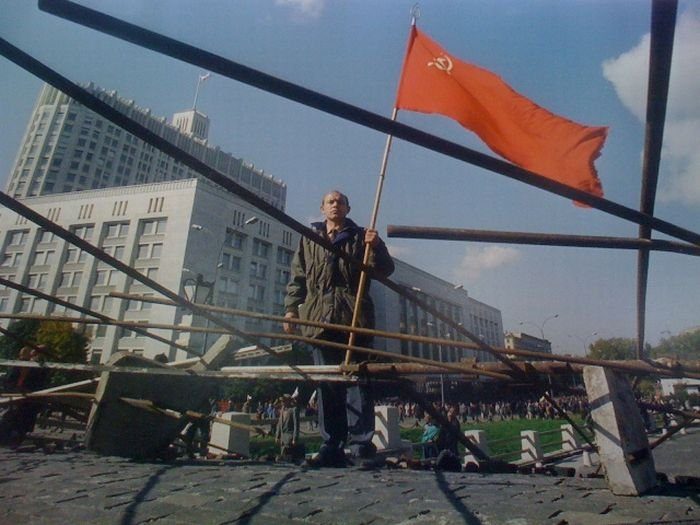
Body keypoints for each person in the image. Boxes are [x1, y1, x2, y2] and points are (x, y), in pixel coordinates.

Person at [283, 190, 395, 467]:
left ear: (348, 208)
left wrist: (377, 246)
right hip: (318, 318)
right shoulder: (309, 238)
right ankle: (332, 443)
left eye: (340, 202)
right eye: (330, 202)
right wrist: (291, 309)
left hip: (353, 317)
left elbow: (385, 270)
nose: (335, 205)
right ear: (322, 208)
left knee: (357, 381)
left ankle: (360, 444)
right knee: (327, 383)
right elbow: (298, 277)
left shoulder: (362, 236)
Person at [275, 393, 303, 463]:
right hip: (282, 439)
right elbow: (279, 424)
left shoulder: (294, 410)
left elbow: (296, 425)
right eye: (282, 401)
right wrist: (277, 436)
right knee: (282, 459)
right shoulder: (282, 410)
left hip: (290, 438)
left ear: (288, 401)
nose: (282, 402)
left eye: (284, 401)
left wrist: (294, 438)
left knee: (290, 459)